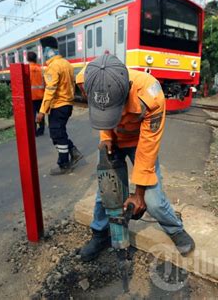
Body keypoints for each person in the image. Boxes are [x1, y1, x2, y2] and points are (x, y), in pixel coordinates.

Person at [76, 54, 195, 261]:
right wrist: (106, 137)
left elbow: (147, 152)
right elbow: (100, 109)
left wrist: (138, 195)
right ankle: (99, 234)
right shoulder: (87, 79)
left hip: (141, 142)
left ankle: (175, 229)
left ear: (127, 89)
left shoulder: (151, 95)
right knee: (104, 192)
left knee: (153, 201)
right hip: (112, 137)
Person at [36, 36, 83, 175]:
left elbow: (50, 90)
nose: (42, 53)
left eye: (43, 49)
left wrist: (42, 111)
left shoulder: (53, 66)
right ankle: (73, 152)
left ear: (47, 49)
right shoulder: (66, 63)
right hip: (67, 104)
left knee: (57, 134)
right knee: (60, 132)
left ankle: (64, 164)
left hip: (58, 105)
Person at [27, 51, 45, 136]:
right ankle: (41, 130)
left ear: (27, 59)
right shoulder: (41, 69)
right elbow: (45, 82)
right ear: (35, 59)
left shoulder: (26, 70)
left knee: (32, 115)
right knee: (41, 113)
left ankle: (34, 132)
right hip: (41, 95)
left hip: (31, 97)